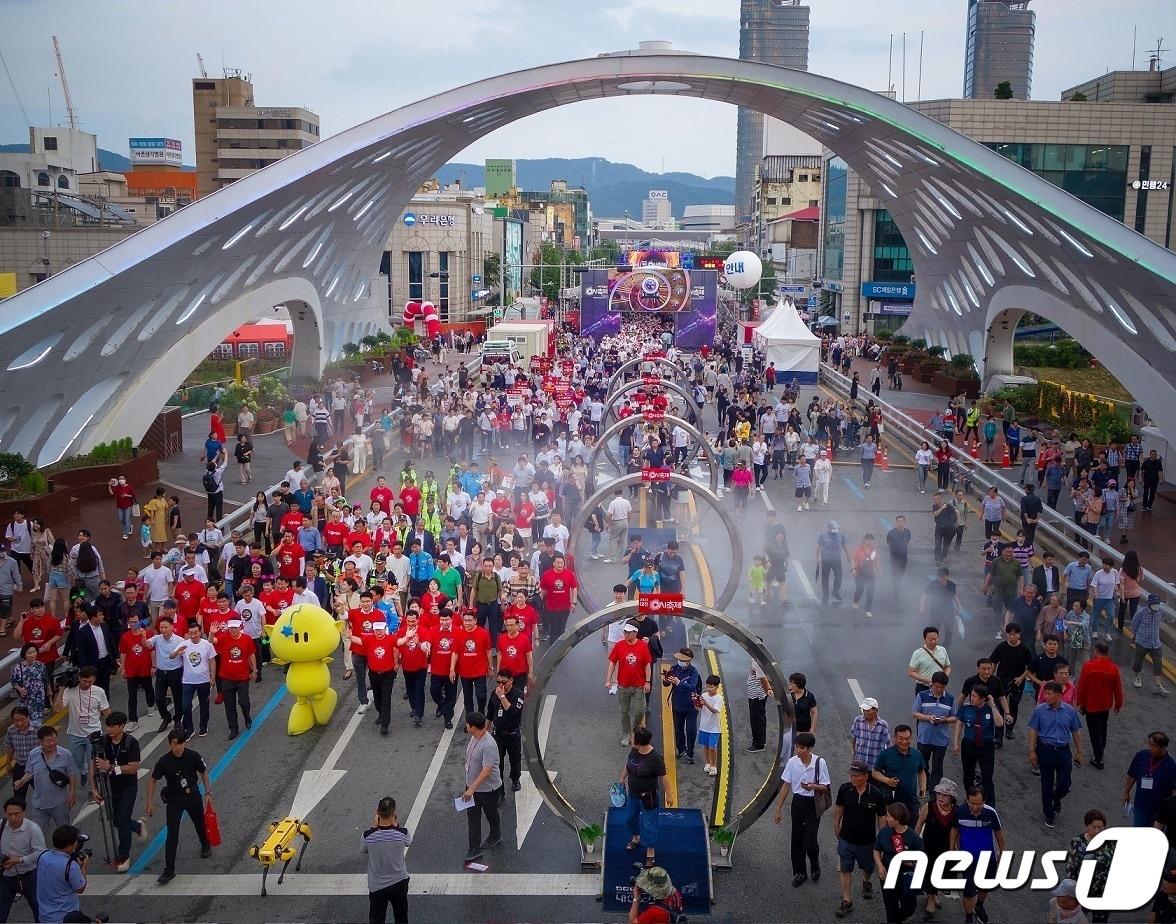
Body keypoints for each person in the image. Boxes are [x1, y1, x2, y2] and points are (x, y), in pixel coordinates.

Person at [146, 730, 213, 884]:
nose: (178, 747)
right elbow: (153, 780)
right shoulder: (164, 761)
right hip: (174, 800)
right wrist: (149, 802)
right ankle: (169, 870)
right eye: (175, 744)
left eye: (181, 743)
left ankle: (205, 844)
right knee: (172, 834)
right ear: (170, 744)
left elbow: (203, 773)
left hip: (192, 796)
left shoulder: (193, 756)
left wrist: (208, 792)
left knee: (199, 823)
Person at [89, 712, 147, 873]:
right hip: (109, 787)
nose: (109, 729)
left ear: (122, 726)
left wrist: (112, 768)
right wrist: (94, 788)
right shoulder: (102, 741)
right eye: (107, 726)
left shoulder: (131, 742)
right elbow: (94, 764)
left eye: (112, 726)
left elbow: (134, 767)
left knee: (122, 821)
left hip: (128, 787)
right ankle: (137, 826)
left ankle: (123, 856)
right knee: (115, 820)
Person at [773, 731, 831, 888]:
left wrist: (813, 786)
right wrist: (778, 808)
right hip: (798, 802)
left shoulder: (820, 763)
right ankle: (800, 872)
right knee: (797, 838)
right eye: (797, 747)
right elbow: (786, 785)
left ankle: (814, 860)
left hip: (813, 803)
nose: (798, 750)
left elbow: (825, 787)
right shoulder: (793, 763)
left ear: (810, 748)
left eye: (802, 748)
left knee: (810, 840)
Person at [832, 758, 886, 919]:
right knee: (845, 869)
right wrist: (836, 825)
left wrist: (881, 842)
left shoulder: (876, 795)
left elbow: (881, 819)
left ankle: (866, 881)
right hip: (846, 840)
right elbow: (839, 808)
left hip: (867, 842)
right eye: (852, 775)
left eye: (857, 776)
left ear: (866, 776)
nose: (853, 778)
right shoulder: (845, 790)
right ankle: (846, 901)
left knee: (868, 868)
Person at [1027, 681, 1084, 828]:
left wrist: (1079, 751)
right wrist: (1032, 751)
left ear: (1059, 695)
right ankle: (1049, 813)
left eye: (1050, 694)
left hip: (1063, 750)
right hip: (1045, 749)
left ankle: (1056, 797)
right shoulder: (1040, 710)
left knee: (1065, 784)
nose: (1046, 696)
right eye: (1045, 693)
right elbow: (1033, 730)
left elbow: (1076, 731)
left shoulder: (1070, 711)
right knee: (1046, 783)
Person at [952, 684, 1004, 808]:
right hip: (969, 745)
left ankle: (990, 805)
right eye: (972, 695)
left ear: (983, 698)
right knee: (968, 775)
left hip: (986, 746)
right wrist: (956, 742)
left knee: (987, 777)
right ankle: (970, 799)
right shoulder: (966, 708)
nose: (971, 698)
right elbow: (959, 724)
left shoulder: (990, 709)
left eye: (975, 697)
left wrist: (992, 705)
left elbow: (999, 723)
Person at [915, 779, 960, 921]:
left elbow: (958, 832)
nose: (940, 797)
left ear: (951, 797)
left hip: (946, 849)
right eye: (939, 794)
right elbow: (919, 824)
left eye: (944, 795)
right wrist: (914, 843)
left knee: (940, 873)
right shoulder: (929, 806)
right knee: (929, 872)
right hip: (928, 846)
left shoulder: (957, 811)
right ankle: (930, 901)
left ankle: (934, 896)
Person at [461, 712, 502, 863]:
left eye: (467, 725)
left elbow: (487, 771)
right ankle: (474, 847)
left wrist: (471, 788)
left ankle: (496, 834)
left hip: (487, 790)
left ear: (473, 727)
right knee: (473, 817)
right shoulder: (475, 737)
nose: (465, 726)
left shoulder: (488, 745)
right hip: (472, 786)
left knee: (491, 814)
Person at [873, 802, 923, 924]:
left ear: (898, 820)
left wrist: (907, 862)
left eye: (889, 816)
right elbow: (876, 850)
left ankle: (897, 918)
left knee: (909, 908)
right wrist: (880, 866)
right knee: (890, 909)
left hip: (906, 879)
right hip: (888, 877)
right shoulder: (884, 832)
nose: (886, 818)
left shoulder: (914, 838)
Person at [363, 796, 411, 924]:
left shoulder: (367, 836)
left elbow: (364, 849)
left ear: (377, 813)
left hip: (377, 886)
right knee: (401, 917)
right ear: (394, 814)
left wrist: (373, 827)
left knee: (377, 919)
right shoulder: (403, 833)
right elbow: (408, 842)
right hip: (399, 882)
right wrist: (396, 826)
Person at [607, 622, 654, 746]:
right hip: (623, 685)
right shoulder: (619, 645)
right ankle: (627, 733)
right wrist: (608, 679)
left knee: (639, 711)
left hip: (639, 685)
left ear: (635, 633)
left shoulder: (643, 647)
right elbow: (612, 662)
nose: (626, 634)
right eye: (625, 632)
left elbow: (647, 665)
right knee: (624, 712)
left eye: (628, 632)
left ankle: (636, 730)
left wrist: (648, 681)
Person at [1064, 810, 1113, 924]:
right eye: (1093, 827)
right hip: (1083, 890)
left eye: (1101, 828)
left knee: (1100, 920)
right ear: (1086, 826)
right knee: (1076, 918)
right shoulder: (1077, 841)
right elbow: (1072, 867)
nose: (1097, 831)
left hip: (1102, 892)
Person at [34, 824, 89, 924]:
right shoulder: (70, 866)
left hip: (44, 916)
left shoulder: (42, 855)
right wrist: (83, 866)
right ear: (69, 846)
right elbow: (80, 888)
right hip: (65, 917)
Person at [872, 726, 927, 822]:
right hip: (892, 801)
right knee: (893, 832)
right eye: (901, 738)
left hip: (911, 801)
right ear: (895, 738)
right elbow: (875, 772)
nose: (904, 742)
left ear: (911, 738)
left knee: (911, 830)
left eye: (907, 738)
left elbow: (921, 771)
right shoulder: (885, 754)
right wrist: (887, 781)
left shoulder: (917, 754)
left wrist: (923, 787)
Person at [912, 672, 956, 790]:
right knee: (923, 764)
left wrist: (945, 719)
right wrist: (928, 718)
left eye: (942, 687)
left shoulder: (950, 699)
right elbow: (915, 713)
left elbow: (954, 717)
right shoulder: (922, 695)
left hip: (941, 739)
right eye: (937, 686)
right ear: (932, 684)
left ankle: (934, 789)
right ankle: (925, 785)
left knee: (937, 766)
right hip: (924, 737)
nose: (939, 689)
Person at [1121, 732, 1176, 829]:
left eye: (1154, 746)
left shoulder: (1171, 766)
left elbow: (1173, 791)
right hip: (1140, 807)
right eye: (1149, 744)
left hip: (1159, 812)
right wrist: (1126, 792)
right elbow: (1132, 776)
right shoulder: (1141, 756)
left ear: (1163, 748)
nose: (1150, 748)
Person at [0, 797, 42, 921]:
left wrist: (19, 860)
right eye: (10, 814)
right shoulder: (1, 826)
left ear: (24, 813)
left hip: (29, 877)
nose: (13, 818)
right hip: (5, 877)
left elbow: (39, 852)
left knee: (39, 910)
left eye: (16, 814)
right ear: (5, 813)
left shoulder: (33, 829)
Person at [172, 623, 217, 738]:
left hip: (204, 681)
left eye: (195, 633)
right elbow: (171, 656)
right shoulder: (183, 644)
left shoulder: (207, 644)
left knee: (204, 705)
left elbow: (212, 661)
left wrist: (212, 678)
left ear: (200, 632)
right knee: (186, 706)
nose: (193, 636)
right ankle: (189, 729)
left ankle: (203, 726)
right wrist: (177, 653)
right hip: (188, 681)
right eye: (191, 633)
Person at [487, 669, 524, 793]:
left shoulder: (517, 694)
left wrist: (502, 696)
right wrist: (485, 732)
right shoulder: (494, 694)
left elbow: (513, 712)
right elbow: (490, 714)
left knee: (515, 759)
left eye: (504, 682)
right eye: (498, 682)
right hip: (498, 734)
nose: (501, 685)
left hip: (512, 734)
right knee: (498, 763)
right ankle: (500, 789)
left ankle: (515, 779)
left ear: (511, 680)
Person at [662, 648, 701, 765]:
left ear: (689, 660)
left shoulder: (693, 672)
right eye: (679, 659)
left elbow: (692, 686)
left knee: (690, 730)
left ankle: (690, 752)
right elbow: (666, 684)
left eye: (682, 660)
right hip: (677, 704)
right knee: (678, 729)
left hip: (690, 706)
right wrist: (666, 680)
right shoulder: (674, 668)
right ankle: (681, 749)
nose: (680, 661)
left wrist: (679, 682)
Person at [1132, 593, 1171, 695]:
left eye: (1157, 603)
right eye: (1154, 603)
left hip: (1155, 643)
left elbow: (1163, 619)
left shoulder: (1160, 612)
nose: (1156, 606)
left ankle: (1158, 686)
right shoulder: (1141, 613)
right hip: (1142, 642)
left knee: (1158, 664)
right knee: (1138, 662)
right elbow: (1134, 624)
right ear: (1149, 604)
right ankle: (1137, 677)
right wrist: (1135, 635)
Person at [697, 674, 724, 777]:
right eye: (707, 686)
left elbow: (714, 711)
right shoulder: (704, 695)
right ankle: (708, 763)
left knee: (712, 748)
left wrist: (705, 704)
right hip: (704, 726)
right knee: (706, 746)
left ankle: (714, 765)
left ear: (717, 686)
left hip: (714, 728)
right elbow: (698, 708)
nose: (709, 689)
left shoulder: (719, 698)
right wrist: (696, 702)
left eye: (711, 687)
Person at [745, 654, 772, 754]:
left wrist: (767, 690)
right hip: (756, 694)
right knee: (759, 718)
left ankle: (758, 744)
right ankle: (760, 740)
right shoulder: (759, 659)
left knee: (757, 719)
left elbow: (763, 679)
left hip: (756, 695)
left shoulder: (757, 662)